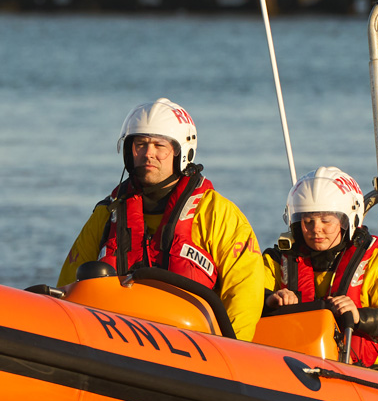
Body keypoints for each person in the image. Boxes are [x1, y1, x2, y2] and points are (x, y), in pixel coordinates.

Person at [57, 100, 264, 339]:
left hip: (195, 347)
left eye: (159, 145)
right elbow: (68, 283)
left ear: (182, 152)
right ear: (128, 151)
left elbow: (245, 290)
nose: (148, 154)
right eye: (140, 144)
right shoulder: (107, 214)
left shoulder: (217, 214)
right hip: (115, 340)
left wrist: (232, 349)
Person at [262, 166, 378, 372]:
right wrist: (270, 300)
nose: (316, 228)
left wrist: (360, 317)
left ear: (350, 220)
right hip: (296, 367)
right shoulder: (277, 262)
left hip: (370, 371)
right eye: (308, 221)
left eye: (326, 220)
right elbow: (245, 294)